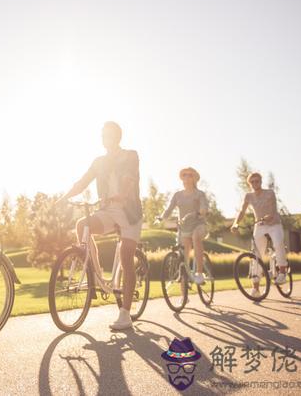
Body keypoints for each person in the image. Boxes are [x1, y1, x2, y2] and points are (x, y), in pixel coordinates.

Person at [57, 121, 143, 330]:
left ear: (118, 137)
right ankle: (94, 273)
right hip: (108, 211)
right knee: (82, 226)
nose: (107, 139)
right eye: (104, 135)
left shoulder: (130, 155)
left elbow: (129, 178)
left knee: (126, 257)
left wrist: (122, 194)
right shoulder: (99, 162)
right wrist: (63, 197)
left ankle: (125, 314)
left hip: (129, 212)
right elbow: (83, 182)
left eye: (110, 135)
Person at [231, 172, 288, 295]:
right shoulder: (248, 196)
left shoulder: (269, 193)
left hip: (274, 224)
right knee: (256, 255)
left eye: (257, 181)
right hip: (260, 225)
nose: (255, 183)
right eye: (252, 182)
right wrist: (235, 223)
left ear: (261, 182)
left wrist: (270, 216)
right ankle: (256, 288)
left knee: (278, 244)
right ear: (249, 184)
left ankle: (282, 272)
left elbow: (273, 208)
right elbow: (242, 211)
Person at [158, 167, 209, 285]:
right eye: (184, 174)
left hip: (198, 224)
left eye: (190, 175)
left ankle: (200, 273)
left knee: (196, 238)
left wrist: (202, 210)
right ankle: (184, 289)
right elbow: (169, 209)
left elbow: (204, 206)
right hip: (184, 227)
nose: (187, 177)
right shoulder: (177, 195)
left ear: (195, 178)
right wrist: (161, 217)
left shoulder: (199, 194)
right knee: (183, 256)